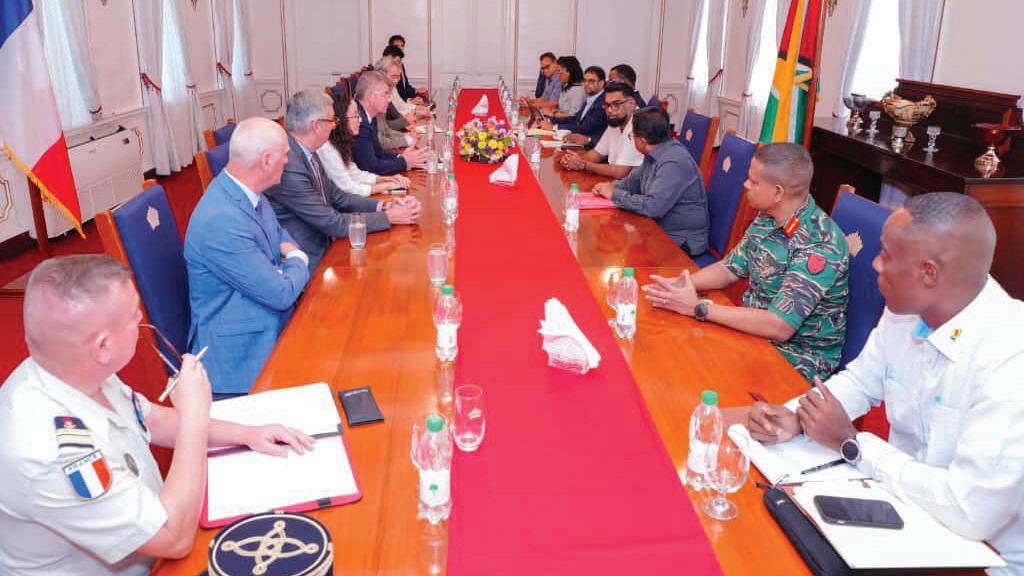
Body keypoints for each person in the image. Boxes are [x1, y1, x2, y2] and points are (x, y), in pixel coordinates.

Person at [742, 192, 1024, 573]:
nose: (875, 263)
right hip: (903, 512)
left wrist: (853, 445)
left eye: (887, 255)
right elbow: (861, 381)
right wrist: (798, 416)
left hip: (983, 561)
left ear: (929, 273)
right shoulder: (907, 310)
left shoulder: (1010, 357)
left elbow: (968, 510)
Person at [0, 254, 314, 575]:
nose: (142, 322)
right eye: (135, 318)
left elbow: (152, 420)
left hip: (157, 536)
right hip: (157, 551)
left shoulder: (73, 367)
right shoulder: (47, 453)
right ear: (103, 347)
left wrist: (248, 434)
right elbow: (173, 539)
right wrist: (194, 413)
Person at [642, 143, 849, 382]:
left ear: (778, 193)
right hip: (753, 333)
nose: (745, 185)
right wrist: (682, 284)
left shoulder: (819, 244)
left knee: (690, 372)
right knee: (669, 346)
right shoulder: (769, 215)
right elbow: (729, 268)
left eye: (754, 181)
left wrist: (698, 307)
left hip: (796, 360)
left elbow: (779, 326)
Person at [185, 117, 311, 395]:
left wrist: (287, 261)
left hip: (263, 316)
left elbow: (279, 234)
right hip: (241, 359)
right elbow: (281, 294)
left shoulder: (246, 190)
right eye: (285, 154)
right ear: (266, 161)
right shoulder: (221, 219)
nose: (288, 161)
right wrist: (299, 259)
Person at [266, 89, 421, 273]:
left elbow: (337, 196)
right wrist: (389, 217)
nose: (335, 126)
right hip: (306, 260)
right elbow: (331, 222)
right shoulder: (289, 163)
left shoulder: (306, 150)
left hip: (327, 245)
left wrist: (384, 206)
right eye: (332, 120)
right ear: (316, 125)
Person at [592, 107, 708, 256]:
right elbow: (634, 181)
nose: (632, 139)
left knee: (619, 251)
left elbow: (654, 207)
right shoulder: (655, 150)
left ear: (642, 140)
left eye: (632, 136)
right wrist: (610, 187)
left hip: (680, 241)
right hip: (657, 231)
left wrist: (615, 195)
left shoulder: (673, 162)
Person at [319, 89, 411, 198]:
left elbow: (355, 174)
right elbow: (348, 189)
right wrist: (385, 186)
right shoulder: (328, 149)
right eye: (355, 116)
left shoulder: (340, 142)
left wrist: (385, 179)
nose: (360, 120)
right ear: (341, 120)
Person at [558, 82, 644, 179]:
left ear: (631, 104)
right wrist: (572, 160)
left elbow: (620, 172)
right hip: (616, 182)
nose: (609, 110)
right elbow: (596, 154)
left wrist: (584, 165)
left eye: (616, 104)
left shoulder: (639, 124)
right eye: (607, 105)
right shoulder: (616, 121)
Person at [353, 71, 429, 175]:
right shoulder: (358, 122)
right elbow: (371, 167)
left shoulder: (370, 115)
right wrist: (404, 162)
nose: (389, 100)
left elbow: (378, 152)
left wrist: (401, 158)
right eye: (386, 94)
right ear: (371, 96)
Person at [560, 65, 608, 149]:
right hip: (579, 143)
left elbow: (585, 128)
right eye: (585, 80)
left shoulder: (603, 102)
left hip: (592, 147)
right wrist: (552, 121)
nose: (586, 84)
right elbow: (576, 119)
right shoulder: (591, 98)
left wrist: (555, 127)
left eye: (591, 81)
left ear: (601, 83)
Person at [387, 34, 429, 102]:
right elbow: (395, 91)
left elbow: (405, 86)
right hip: (398, 101)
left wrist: (416, 91)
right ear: (390, 47)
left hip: (404, 99)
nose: (400, 48)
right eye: (397, 46)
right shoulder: (388, 65)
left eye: (402, 46)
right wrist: (411, 98)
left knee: (424, 96)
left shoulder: (401, 64)